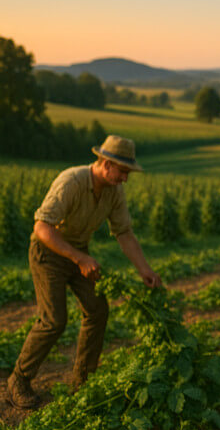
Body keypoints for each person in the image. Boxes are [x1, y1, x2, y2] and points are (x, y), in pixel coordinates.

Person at [6, 135, 162, 409]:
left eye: (128, 173)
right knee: (54, 320)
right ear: (106, 163)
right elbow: (41, 228)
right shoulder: (72, 181)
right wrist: (80, 258)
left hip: (78, 253)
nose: (125, 178)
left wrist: (145, 270)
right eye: (123, 171)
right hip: (48, 253)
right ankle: (18, 381)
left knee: (98, 309)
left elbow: (124, 232)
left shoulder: (114, 192)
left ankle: (83, 383)